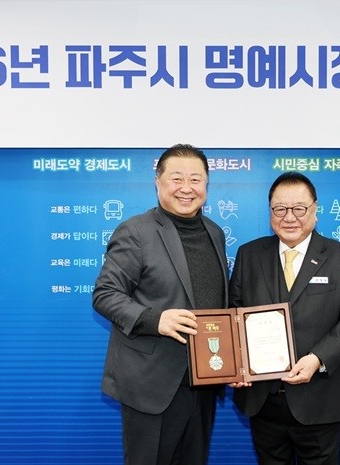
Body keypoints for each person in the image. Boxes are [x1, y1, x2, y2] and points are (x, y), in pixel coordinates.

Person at [92, 143, 228, 465]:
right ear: (158, 182)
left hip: (205, 379)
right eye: (176, 178)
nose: (186, 188)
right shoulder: (136, 231)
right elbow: (105, 293)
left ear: (207, 184)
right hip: (152, 385)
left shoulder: (215, 232)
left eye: (195, 179)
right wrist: (156, 319)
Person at [229, 171, 340, 465]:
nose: (289, 217)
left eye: (299, 208)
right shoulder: (249, 255)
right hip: (262, 401)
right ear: (270, 211)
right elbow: (234, 317)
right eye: (280, 209)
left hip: (319, 400)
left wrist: (317, 359)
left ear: (315, 210)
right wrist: (236, 365)